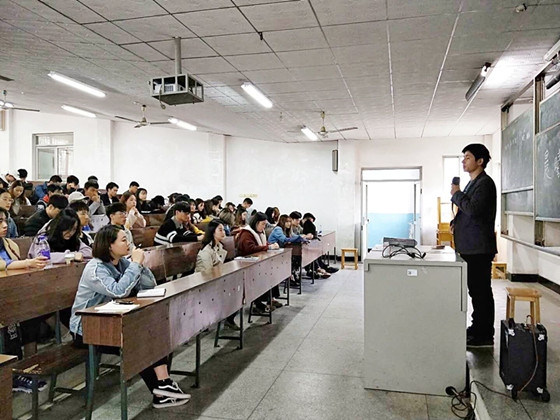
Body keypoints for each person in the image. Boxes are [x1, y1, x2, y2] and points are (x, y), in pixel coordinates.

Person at [69, 225, 191, 408]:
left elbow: (150, 285)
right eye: (124, 240)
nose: (129, 243)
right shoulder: (95, 268)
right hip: (86, 328)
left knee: (153, 330)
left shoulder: (122, 263)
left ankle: (163, 385)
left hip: (113, 322)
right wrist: (135, 265)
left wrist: (139, 264)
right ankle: (161, 390)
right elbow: (118, 291)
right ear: (109, 245)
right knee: (136, 342)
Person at [450, 143, 497, 348]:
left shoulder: (485, 183)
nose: (464, 161)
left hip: (478, 248)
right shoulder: (473, 183)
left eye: (468, 157)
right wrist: (455, 222)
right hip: (470, 246)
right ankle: (477, 328)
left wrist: (456, 193)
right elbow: (468, 211)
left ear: (480, 161)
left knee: (481, 292)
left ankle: (484, 335)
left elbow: (474, 210)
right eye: (463, 157)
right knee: (475, 292)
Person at [0, 207, 49, 393]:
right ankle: (11, 376)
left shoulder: (9, 244)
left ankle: (19, 371)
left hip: (11, 296)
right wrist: (27, 263)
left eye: (5, 220)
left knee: (27, 320)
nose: (5, 225)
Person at [195, 220, 239, 329]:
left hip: (216, 279)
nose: (223, 232)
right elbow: (208, 274)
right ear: (212, 232)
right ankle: (227, 317)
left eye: (223, 229)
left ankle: (229, 318)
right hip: (204, 284)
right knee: (234, 290)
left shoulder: (219, 247)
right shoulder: (206, 251)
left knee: (239, 287)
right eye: (220, 230)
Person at [235, 212, 280, 313]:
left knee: (272, 272)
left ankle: (270, 299)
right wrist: (268, 247)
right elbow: (250, 248)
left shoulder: (260, 232)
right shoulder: (247, 233)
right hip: (246, 264)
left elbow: (262, 244)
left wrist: (270, 245)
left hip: (256, 262)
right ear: (256, 223)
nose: (264, 227)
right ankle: (258, 303)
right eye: (262, 224)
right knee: (263, 275)